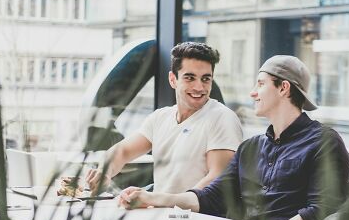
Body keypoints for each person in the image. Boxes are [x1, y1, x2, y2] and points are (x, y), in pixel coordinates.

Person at [120, 55, 349, 220]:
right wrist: (151, 197)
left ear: (284, 88)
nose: (253, 93)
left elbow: (318, 212)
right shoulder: (251, 147)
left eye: (260, 84)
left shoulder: (324, 142)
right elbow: (211, 197)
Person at [78, 42, 243, 196]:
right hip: (162, 214)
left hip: (199, 219)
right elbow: (122, 151)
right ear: (173, 79)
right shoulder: (160, 117)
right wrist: (104, 172)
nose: (199, 87)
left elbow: (217, 180)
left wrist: (156, 200)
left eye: (206, 79)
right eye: (190, 78)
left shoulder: (222, 118)